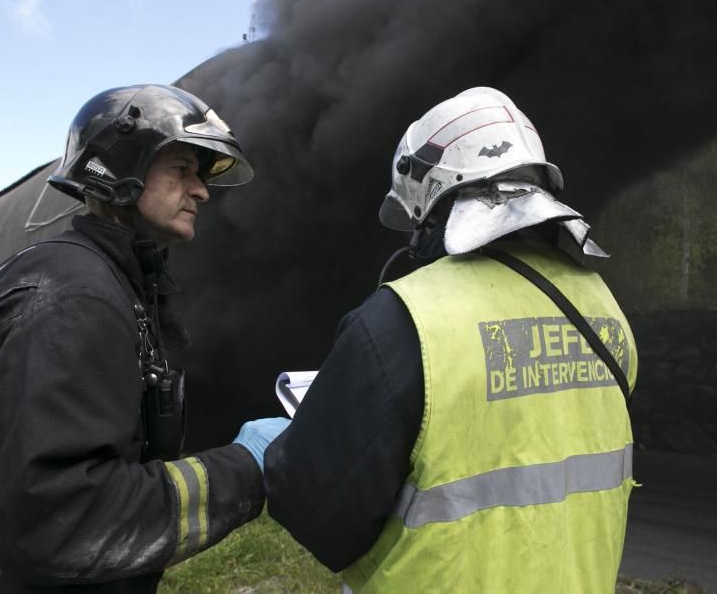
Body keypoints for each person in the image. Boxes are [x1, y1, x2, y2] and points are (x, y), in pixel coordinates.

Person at [0, 84, 289, 593]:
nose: (202, 191)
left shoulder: (102, 280)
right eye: (182, 169)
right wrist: (245, 468)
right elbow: (65, 516)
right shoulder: (73, 299)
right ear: (122, 167)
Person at [264, 87, 638, 592]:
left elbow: (318, 515)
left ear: (431, 197)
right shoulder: (607, 309)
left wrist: (295, 450)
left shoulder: (402, 320)